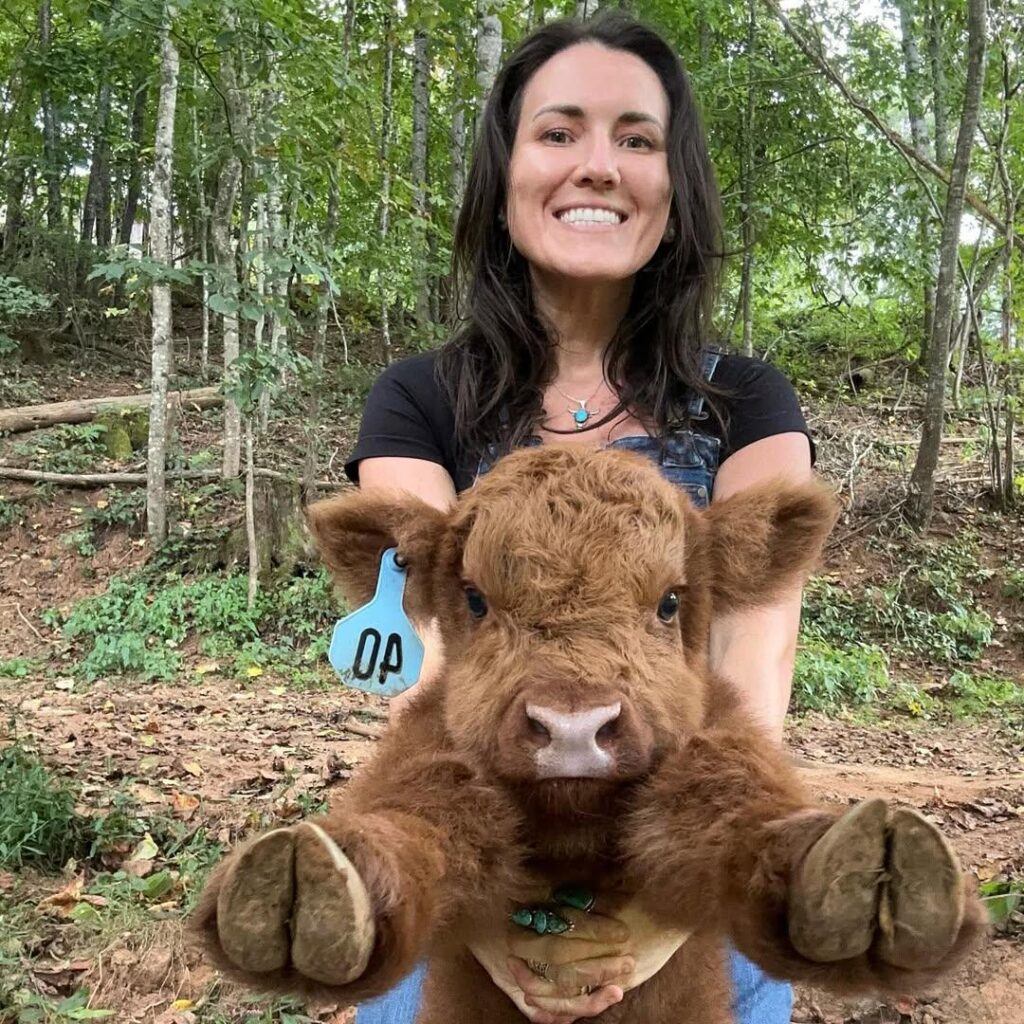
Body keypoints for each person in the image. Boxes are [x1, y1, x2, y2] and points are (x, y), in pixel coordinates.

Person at [344, 12, 815, 1024]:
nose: (596, 166)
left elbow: (749, 671)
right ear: (503, 173)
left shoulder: (748, 403)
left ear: (672, 186)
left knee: (759, 950)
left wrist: (671, 905)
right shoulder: (420, 398)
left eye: (636, 139)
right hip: (481, 838)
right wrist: (482, 917)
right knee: (389, 965)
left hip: (672, 829)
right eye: (558, 133)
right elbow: (423, 671)